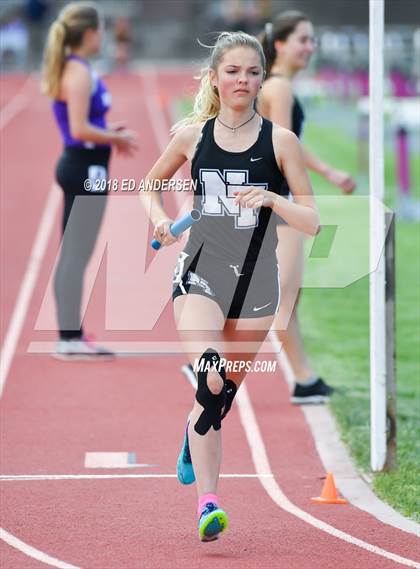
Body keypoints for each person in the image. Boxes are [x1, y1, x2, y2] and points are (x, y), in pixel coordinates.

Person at [140, 31, 319, 542]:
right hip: (200, 271)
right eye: (233, 71)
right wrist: (156, 217)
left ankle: (195, 421)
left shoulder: (281, 142)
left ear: (263, 78)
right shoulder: (191, 136)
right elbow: (150, 185)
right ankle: (208, 505)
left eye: (253, 72)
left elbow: (311, 221)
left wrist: (272, 199)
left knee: (217, 400)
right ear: (215, 78)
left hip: (258, 282)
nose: (243, 80)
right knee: (211, 375)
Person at [257, 11, 356, 403]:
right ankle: (207, 361)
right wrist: (301, 200)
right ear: (280, 44)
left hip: (274, 199)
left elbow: (290, 142)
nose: (310, 47)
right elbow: (285, 147)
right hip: (277, 200)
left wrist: (329, 171)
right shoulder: (279, 88)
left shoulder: (279, 86)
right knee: (280, 293)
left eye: (312, 40)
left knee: (286, 295)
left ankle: (304, 379)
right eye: (303, 39)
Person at [41, 2, 137, 359]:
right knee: (75, 254)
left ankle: (71, 333)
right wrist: (115, 138)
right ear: (90, 34)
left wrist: (111, 133)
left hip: (87, 167)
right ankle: (68, 337)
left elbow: (80, 125)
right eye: (101, 31)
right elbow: (78, 129)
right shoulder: (78, 72)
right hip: (84, 170)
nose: (105, 37)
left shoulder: (78, 69)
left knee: (77, 253)